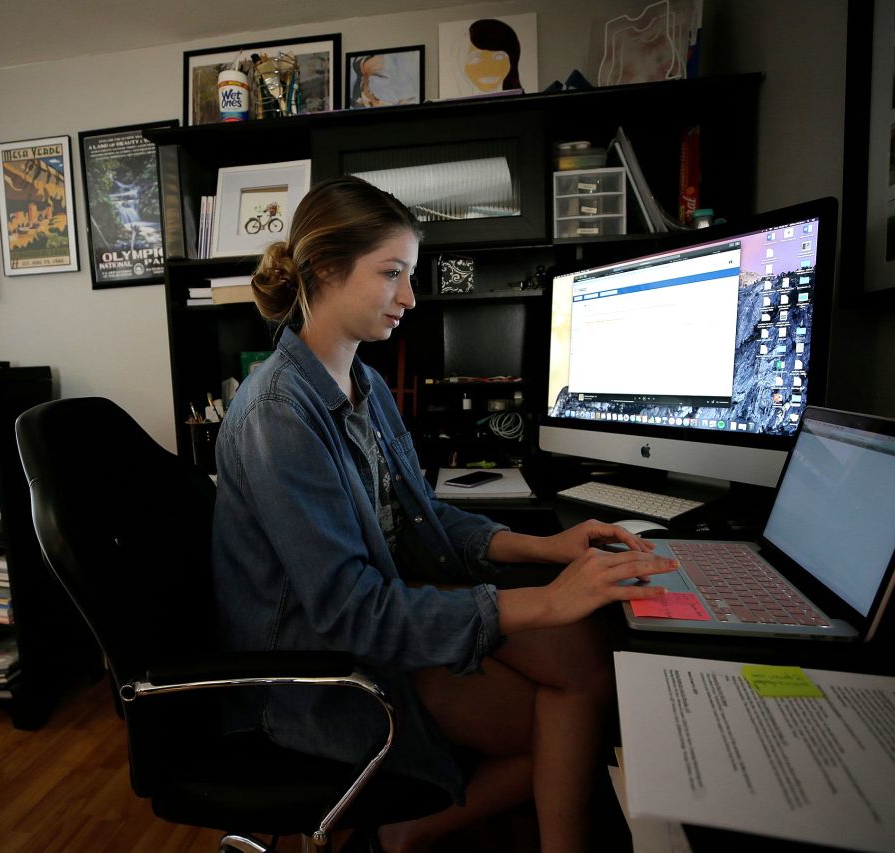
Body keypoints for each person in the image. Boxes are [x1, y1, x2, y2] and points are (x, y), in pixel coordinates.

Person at [211, 175, 677, 853]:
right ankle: (410, 831)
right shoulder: (279, 414)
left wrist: (546, 551)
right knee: (569, 718)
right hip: (327, 675)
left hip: (377, 628)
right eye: (393, 273)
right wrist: (544, 603)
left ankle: (408, 830)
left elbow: (421, 519)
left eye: (412, 273)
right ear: (325, 271)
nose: (410, 296)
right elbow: (351, 613)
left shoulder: (362, 382)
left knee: (584, 656)